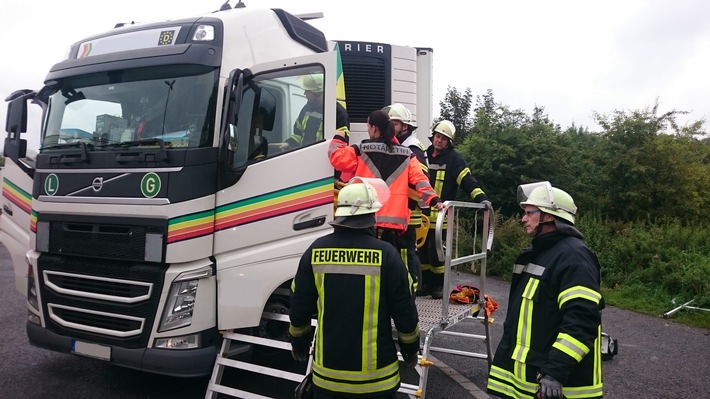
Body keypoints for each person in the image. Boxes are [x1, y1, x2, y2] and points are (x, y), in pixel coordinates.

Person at [289, 178, 421, 398]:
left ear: (339, 214)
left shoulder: (315, 251)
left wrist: (299, 342)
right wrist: (410, 349)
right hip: (378, 382)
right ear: (373, 216)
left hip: (327, 380)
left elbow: (299, 304)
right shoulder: (387, 255)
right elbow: (405, 310)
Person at [487, 181, 604, 399]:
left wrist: (555, 371)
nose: (523, 218)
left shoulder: (574, 258)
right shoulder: (541, 253)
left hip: (560, 387)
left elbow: (582, 321)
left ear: (549, 216)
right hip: (530, 382)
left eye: (529, 212)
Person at [329, 110, 444, 294]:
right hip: (396, 224)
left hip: (368, 220)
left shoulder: (362, 149)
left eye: (368, 126)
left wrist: (338, 138)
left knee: (370, 267)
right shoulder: (407, 154)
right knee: (403, 265)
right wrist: (434, 200)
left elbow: (337, 159)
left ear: (374, 129)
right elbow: (420, 180)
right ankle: (408, 298)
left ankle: (374, 299)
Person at [418, 120, 491, 299]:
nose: (439, 140)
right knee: (421, 253)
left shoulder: (454, 159)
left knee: (438, 253)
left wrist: (482, 199)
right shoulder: (424, 156)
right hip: (422, 215)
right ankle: (426, 284)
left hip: (441, 216)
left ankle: (439, 286)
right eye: (437, 136)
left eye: (443, 138)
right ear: (433, 136)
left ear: (448, 142)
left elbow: (467, 182)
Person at [382, 103, 428, 292]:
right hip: (399, 211)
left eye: (394, 123)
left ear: (404, 126)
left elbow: (420, 180)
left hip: (409, 212)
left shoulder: (412, 147)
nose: (390, 126)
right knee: (397, 254)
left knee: (406, 254)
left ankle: (411, 291)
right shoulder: (399, 146)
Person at [280, 73, 350, 150]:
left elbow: (340, 145)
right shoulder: (307, 108)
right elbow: (298, 135)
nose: (304, 93)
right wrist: (289, 143)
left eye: (307, 91)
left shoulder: (338, 113)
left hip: (323, 160)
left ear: (318, 93)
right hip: (306, 157)